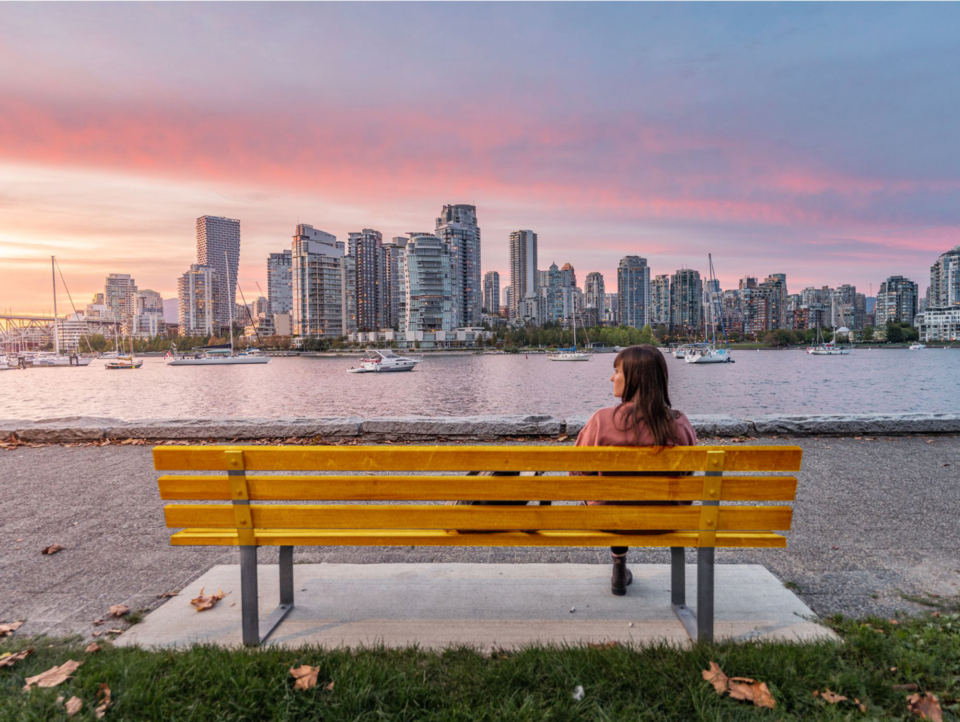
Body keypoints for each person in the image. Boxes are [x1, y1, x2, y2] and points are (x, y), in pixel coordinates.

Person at [572, 344, 698, 596]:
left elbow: (576, 473)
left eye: (617, 371)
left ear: (634, 378)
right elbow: (688, 475)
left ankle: (619, 562)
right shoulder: (679, 422)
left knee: (611, 500)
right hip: (666, 520)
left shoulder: (601, 420)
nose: (611, 377)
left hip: (608, 518)